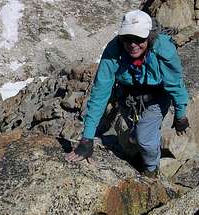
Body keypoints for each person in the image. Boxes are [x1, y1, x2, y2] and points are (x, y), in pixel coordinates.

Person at [65, 10, 189, 177]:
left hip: (157, 98)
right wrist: (87, 139)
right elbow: (100, 93)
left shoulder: (163, 50)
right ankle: (144, 151)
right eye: (127, 39)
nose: (132, 44)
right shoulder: (114, 50)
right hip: (127, 98)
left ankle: (151, 170)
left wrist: (181, 115)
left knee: (144, 139)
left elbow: (175, 84)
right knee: (136, 134)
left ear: (149, 37)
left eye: (139, 39)